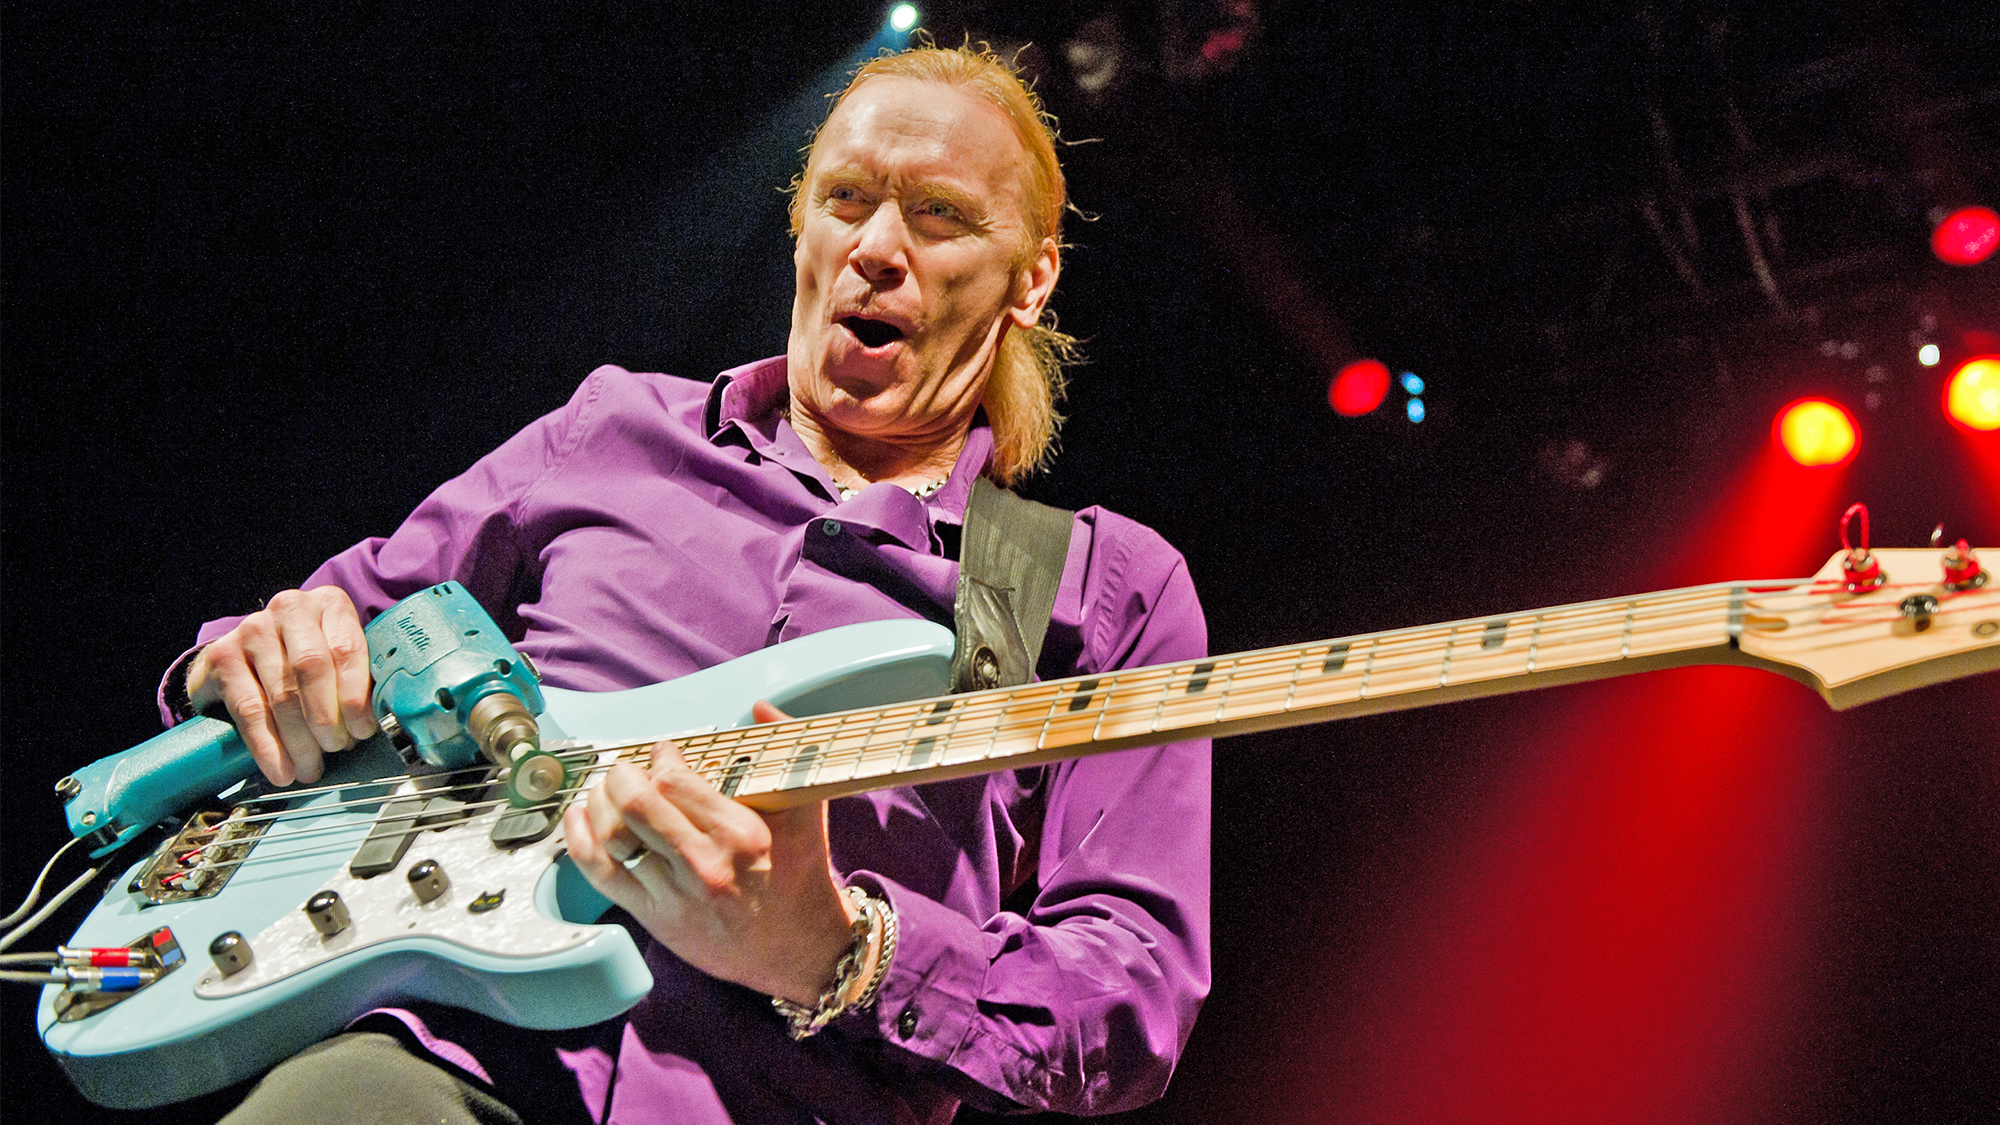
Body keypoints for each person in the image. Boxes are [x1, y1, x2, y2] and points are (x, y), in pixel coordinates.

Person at [171, 46, 1210, 1125]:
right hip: (443, 1072)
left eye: (940, 215)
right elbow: (342, 627)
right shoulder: (613, 429)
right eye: (844, 198)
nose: (876, 247)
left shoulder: (1094, 586)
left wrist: (837, 948)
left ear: (1030, 278)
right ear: (799, 224)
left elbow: (1126, 994)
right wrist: (261, 658)